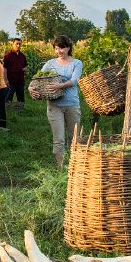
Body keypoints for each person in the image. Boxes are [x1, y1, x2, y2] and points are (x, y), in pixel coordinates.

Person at [29, 35, 83, 166]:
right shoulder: (50, 64)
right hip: (54, 106)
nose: (59, 51)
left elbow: (74, 81)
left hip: (72, 105)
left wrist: (60, 86)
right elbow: (37, 79)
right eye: (56, 48)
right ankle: (60, 168)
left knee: (74, 138)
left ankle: (74, 166)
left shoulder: (77, 63)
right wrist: (30, 88)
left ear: (69, 48)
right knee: (58, 139)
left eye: (62, 48)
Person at [3, 37, 28, 107]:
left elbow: (26, 66)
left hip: (20, 80)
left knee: (20, 97)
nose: (18, 45)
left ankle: (20, 110)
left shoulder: (22, 56)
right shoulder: (8, 56)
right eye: (16, 44)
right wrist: (5, 79)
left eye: (20, 44)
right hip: (11, 80)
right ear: (12, 44)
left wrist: (25, 69)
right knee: (8, 96)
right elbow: (4, 68)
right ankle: (7, 110)